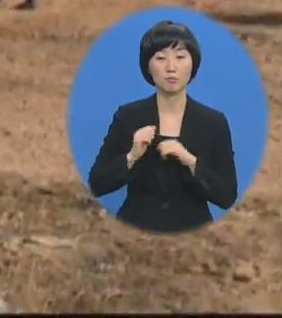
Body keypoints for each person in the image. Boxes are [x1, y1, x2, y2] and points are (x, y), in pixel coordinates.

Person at [87, 21, 238, 234]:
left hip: (192, 233)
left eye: (180, 57)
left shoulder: (213, 122)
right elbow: (97, 184)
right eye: (160, 58)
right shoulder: (129, 116)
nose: (171, 68)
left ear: (193, 63)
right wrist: (131, 157)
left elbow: (227, 196)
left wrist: (191, 162)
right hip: (134, 230)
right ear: (147, 66)